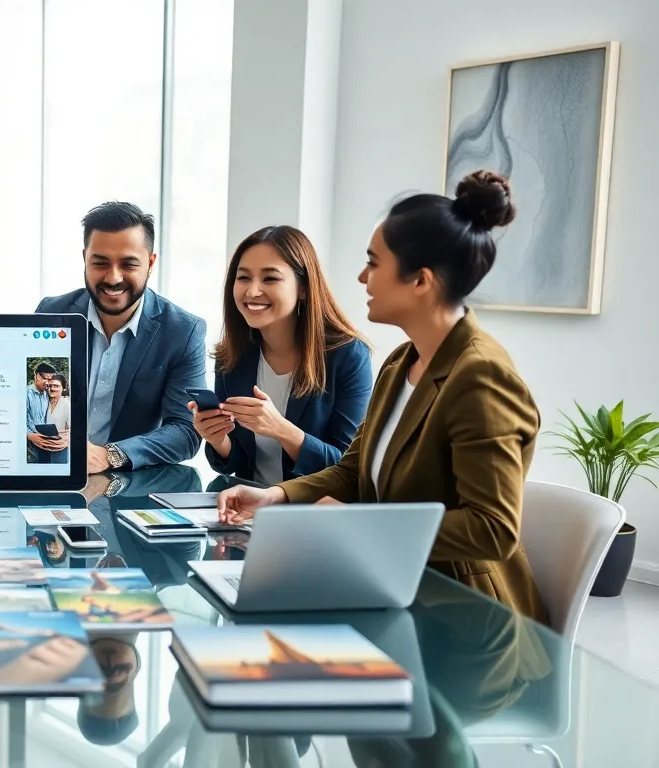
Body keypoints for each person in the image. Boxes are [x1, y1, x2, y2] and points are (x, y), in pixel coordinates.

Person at [217, 170, 548, 621]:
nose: (360, 276)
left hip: (463, 612)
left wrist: (355, 527)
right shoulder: (400, 363)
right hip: (388, 581)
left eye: (373, 263)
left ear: (421, 281)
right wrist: (276, 496)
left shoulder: (482, 376)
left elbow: (492, 529)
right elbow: (354, 470)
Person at [193, 226, 372, 485]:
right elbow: (238, 463)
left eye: (270, 279)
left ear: (303, 288)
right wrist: (218, 438)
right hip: (246, 506)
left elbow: (347, 466)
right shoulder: (231, 355)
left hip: (312, 511)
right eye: (243, 278)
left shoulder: (347, 356)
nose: (252, 291)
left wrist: (281, 429)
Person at [36, 202, 207, 473]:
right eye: (100, 263)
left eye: (128, 264)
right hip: (51, 469)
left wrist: (110, 455)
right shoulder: (51, 312)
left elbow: (186, 430)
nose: (113, 278)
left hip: (126, 483)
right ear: (85, 259)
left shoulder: (183, 331)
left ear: (151, 263)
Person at [41, 374, 73, 464]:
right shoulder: (45, 403)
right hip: (44, 446)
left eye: (56, 386)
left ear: (63, 388)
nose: (52, 388)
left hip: (60, 447)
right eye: (50, 386)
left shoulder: (66, 404)